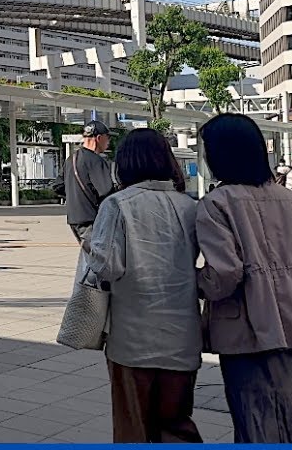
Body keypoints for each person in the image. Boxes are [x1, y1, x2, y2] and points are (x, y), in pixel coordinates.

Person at [195, 113, 292, 444]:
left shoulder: (216, 204)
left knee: (257, 419)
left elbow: (224, 274)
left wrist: (193, 283)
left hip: (248, 332)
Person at [86, 129, 203, 443]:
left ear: (124, 164)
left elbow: (108, 266)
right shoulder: (189, 207)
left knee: (132, 429)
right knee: (177, 425)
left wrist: (89, 244)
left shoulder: (117, 205)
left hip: (132, 340)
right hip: (183, 338)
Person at [64, 120, 115, 247]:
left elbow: (58, 186)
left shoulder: (71, 160)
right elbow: (106, 191)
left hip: (74, 218)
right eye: (107, 138)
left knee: (89, 255)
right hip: (91, 219)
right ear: (98, 138)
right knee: (100, 258)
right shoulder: (96, 161)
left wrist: (75, 196)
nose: (108, 142)